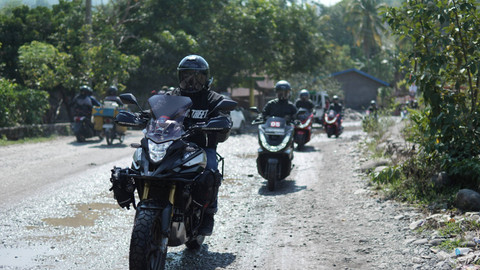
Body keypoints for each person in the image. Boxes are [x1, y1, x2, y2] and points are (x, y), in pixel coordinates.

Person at [170, 54, 232, 236]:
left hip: (203, 148)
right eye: (187, 75)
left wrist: (221, 121)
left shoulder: (213, 99)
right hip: (173, 146)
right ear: (180, 77)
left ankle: (208, 214)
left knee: (210, 172)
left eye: (198, 76)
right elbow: (156, 112)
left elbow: (224, 116)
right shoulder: (173, 96)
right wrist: (143, 116)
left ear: (206, 78)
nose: (192, 81)